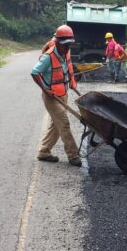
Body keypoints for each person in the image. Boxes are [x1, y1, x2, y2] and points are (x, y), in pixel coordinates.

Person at [31, 25, 82, 167]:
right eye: (65, 45)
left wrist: (72, 82)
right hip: (51, 97)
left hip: (63, 93)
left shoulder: (66, 52)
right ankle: (73, 155)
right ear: (58, 42)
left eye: (69, 44)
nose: (67, 47)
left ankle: (44, 152)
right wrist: (45, 90)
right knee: (64, 123)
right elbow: (34, 72)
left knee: (56, 126)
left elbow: (68, 68)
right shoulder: (48, 56)